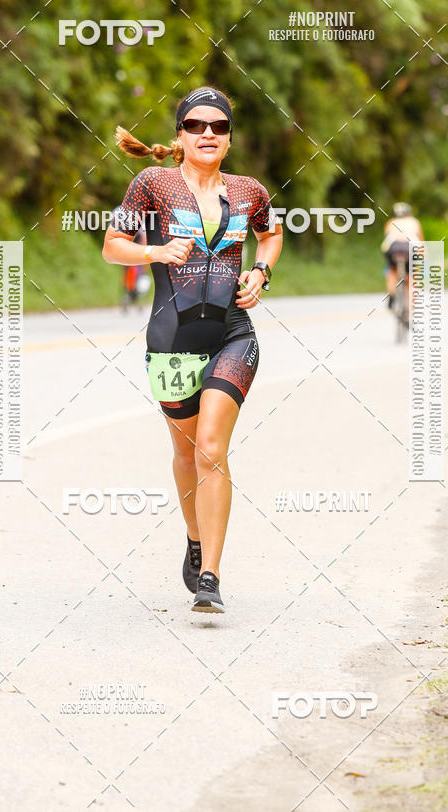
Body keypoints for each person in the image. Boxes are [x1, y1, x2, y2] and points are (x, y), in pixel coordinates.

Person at [102, 86, 283, 613]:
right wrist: (154, 249)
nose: (208, 133)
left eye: (219, 127)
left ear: (229, 138)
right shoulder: (153, 183)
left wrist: (261, 271)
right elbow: (113, 245)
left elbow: (269, 236)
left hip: (233, 332)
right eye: (197, 125)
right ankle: (195, 537)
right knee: (185, 454)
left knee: (210, 447)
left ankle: (210, 577)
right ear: (179, 135)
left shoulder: (249, 191)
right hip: (173, 340)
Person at [381, 202, 424, 314]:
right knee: (413, 276)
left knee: (392, 271)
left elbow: (386, 238)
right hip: (410, 248)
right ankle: (412, 308)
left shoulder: (390, 222)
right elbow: (421, 242)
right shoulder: (414, 222)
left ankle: (392, 297)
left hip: (393, 247)